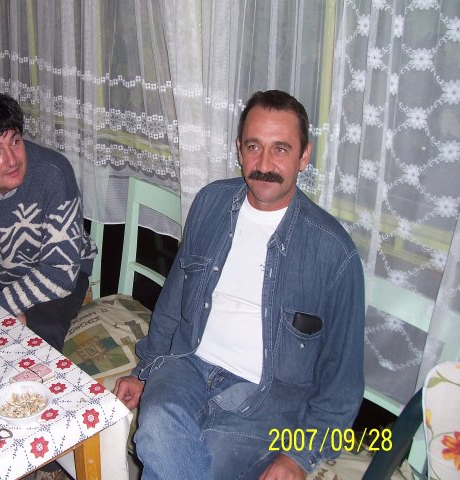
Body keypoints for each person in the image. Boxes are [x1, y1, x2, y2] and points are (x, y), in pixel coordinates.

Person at [114, 90, 365, 479]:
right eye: (254, 147)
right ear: (239, 149)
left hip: (268, 402)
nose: (264, 164)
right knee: (158, 426)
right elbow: (174, 301)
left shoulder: (333, 252)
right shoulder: (211, 203)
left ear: (304, 156)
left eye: (280, 149)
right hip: (187, 366)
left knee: (193, 461)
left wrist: (299, 456)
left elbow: (341, 382)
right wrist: (145, 369)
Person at [0, 91, 96, 352]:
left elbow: (60, 271)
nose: (12, 160)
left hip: (57, 275)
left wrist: (0, 310)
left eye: (15, 142)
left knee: (38, 335)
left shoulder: (54, 174)